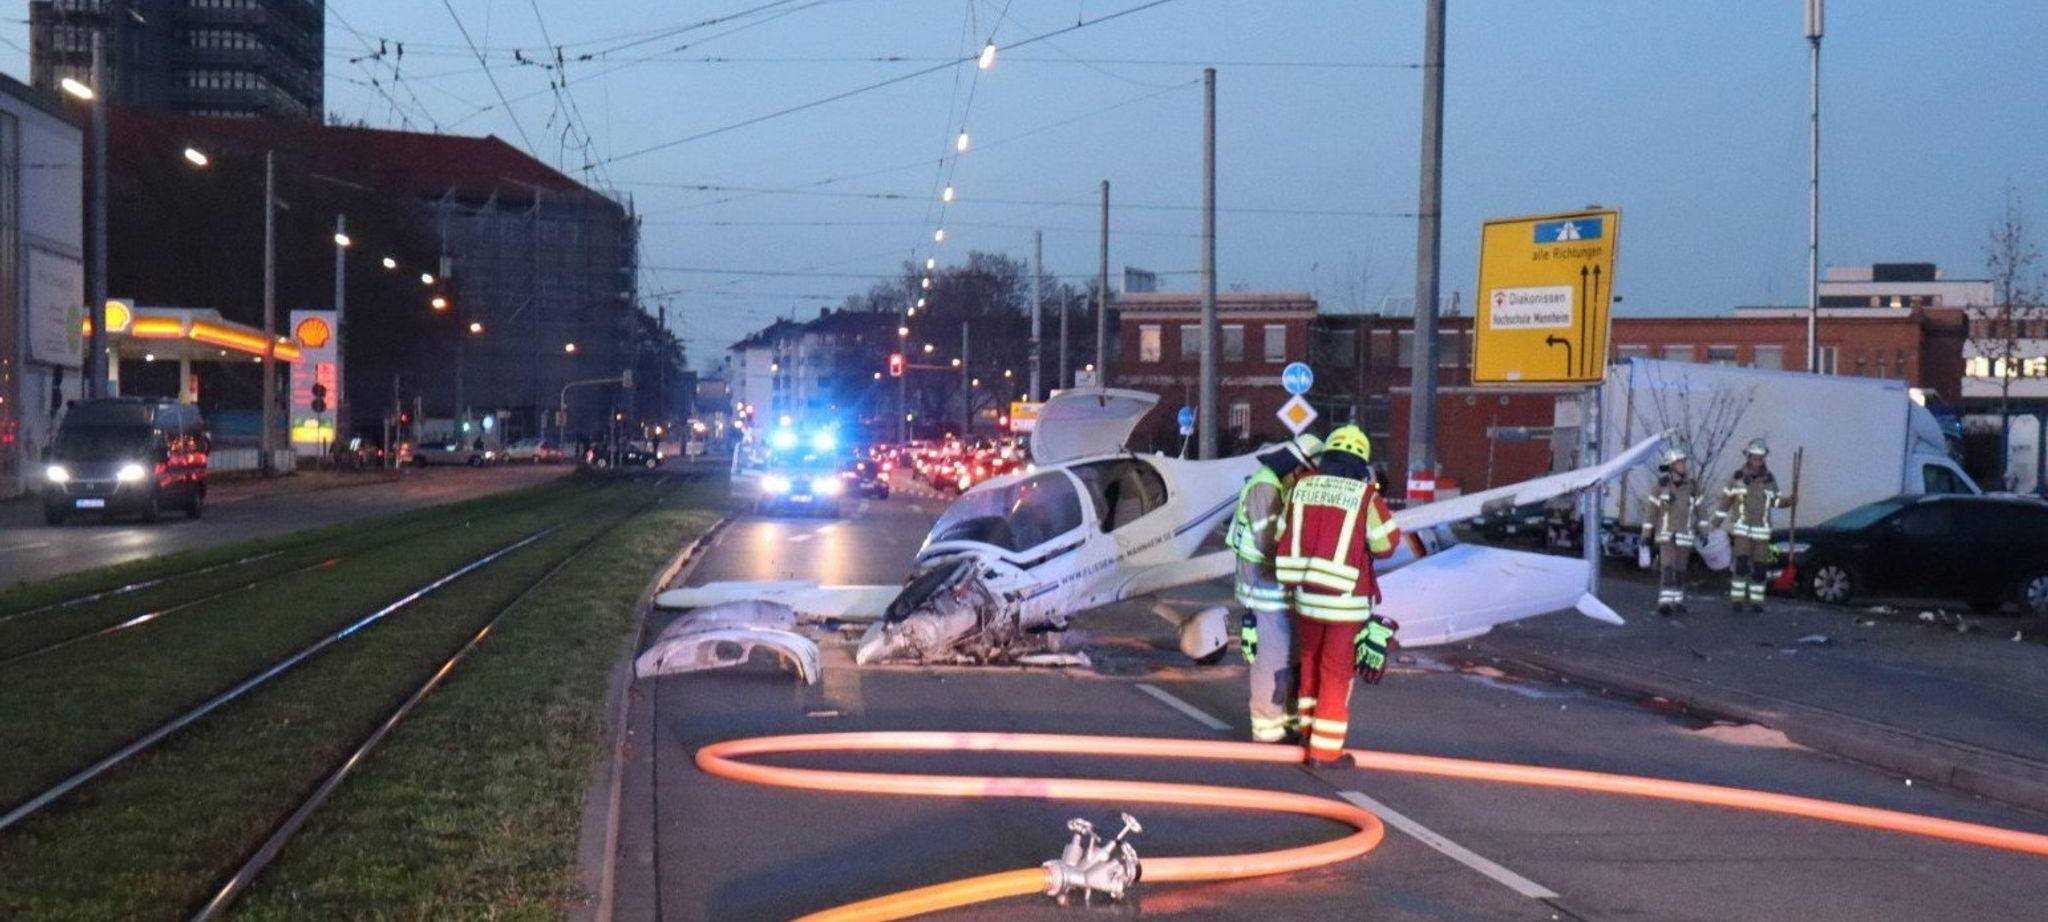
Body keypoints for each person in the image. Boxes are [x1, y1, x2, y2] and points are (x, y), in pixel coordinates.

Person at [1273, 425, 1401, 768]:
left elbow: (1282, 533)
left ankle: (1305, 732)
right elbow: (1386, 545)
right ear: (1362, 462)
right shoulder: (1365, 496)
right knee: (1335, 672)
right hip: (1345, 601)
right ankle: (1325, 752)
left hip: (1306, 595)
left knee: (1311, 661)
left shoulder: (1301, 487)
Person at [1226, 433, 1322, 744]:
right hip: (1263, 587)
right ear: (1298, 467)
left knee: (1288, 655)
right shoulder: (1265, 487)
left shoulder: (1275, 482)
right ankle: (1267, 729)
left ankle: (1286, 720)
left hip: (1276, 587)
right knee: (1271, 658)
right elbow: (1270, 543)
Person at [1715, 439, 1793, 613]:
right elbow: (1725, 502)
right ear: (1748, 457)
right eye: (1754, 457)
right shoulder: (1737, 478)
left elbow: (1776, 500)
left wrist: (1789, 501)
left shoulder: (1769, 479)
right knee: (1741, 565)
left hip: (1762, 533)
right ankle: (1737, 600)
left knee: (1760, 568)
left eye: (1760, 458)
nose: (1757, 461)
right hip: (1742, 530)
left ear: (1764, 459)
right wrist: (1714, 524)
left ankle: (1757, 601)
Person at [1640, 446, 1704, 616]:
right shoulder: (1660, 486)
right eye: (1680, 462)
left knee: (1681, 570)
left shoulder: (1692, 486)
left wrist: (1703, 531)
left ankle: (1677, 601)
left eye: (1683, 462)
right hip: (1666, 535)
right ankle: (1665, 602)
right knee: (1667, 567)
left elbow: (1700, 511)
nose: (1683, 465)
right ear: (1671, 465)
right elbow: (1651, 512)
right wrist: (1646, 535)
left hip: (1685, 535)